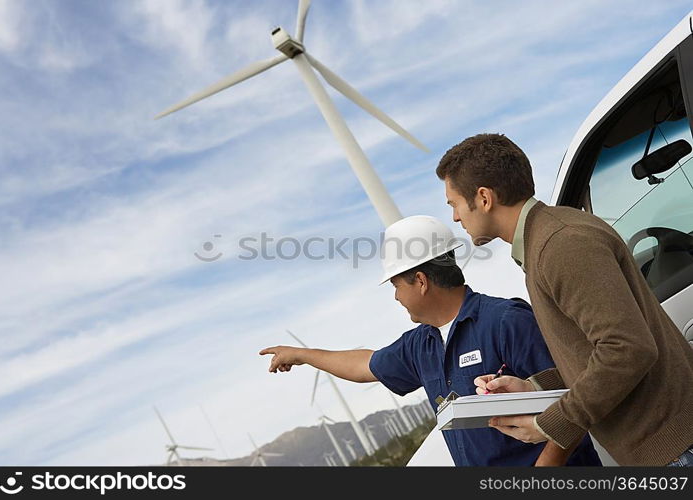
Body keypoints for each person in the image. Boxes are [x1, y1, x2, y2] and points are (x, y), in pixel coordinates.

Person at [435, 133, 693, 466]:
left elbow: (627, 350)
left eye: (454, 204)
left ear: (483, 198)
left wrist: (551, 424)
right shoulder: (547, 242)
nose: (456, 217)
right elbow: (594, 354)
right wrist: (532, 389)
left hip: (677, 450)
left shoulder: (560, 244)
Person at [259, 215, 600, 466]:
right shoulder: (420, 345)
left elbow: (571, 401)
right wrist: (302, 354)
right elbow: (365, 365)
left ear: (420, 280)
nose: (395, 297)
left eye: (396, 285)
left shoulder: (507, 321)